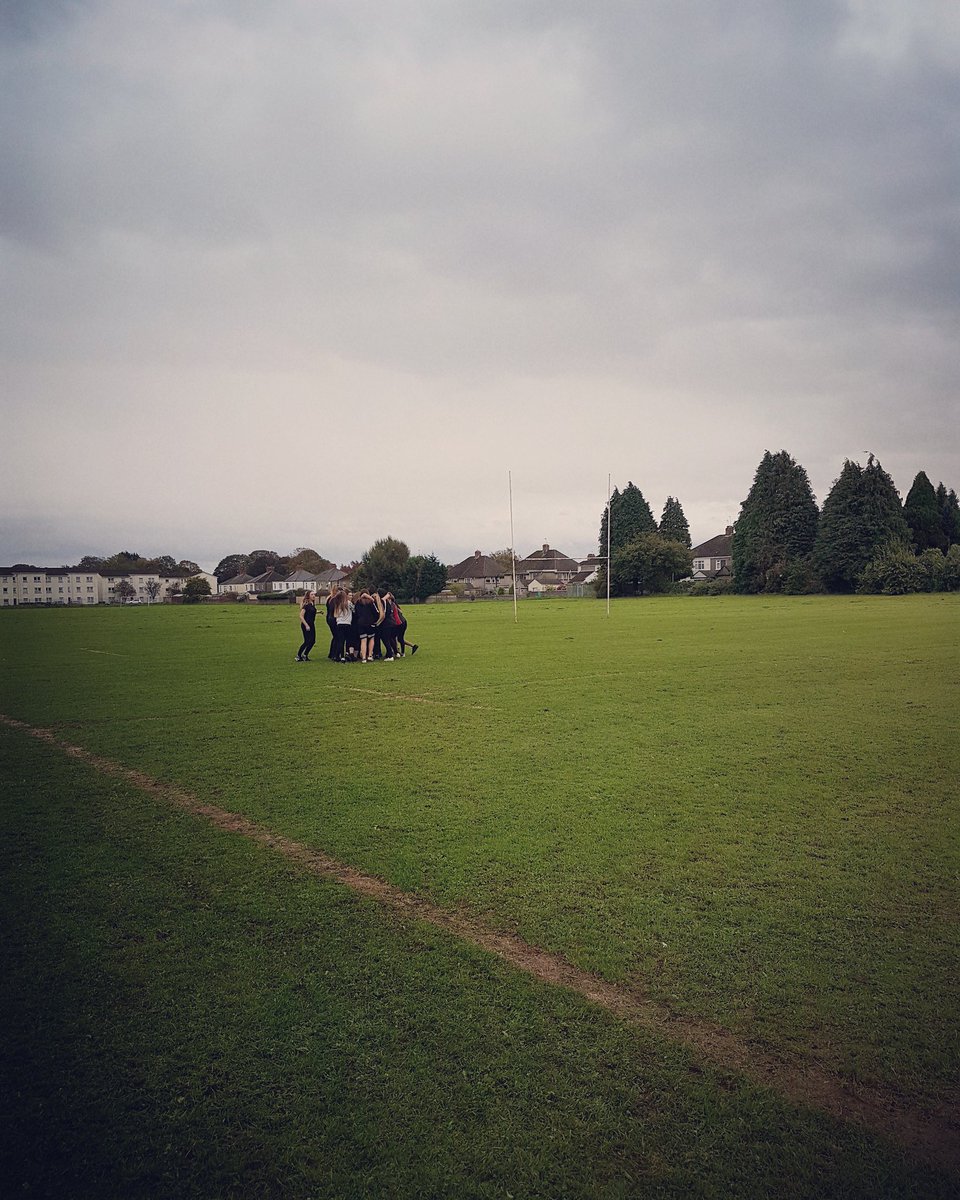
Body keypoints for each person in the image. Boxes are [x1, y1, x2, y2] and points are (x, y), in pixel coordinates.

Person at [353, 590, 379, 662]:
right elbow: (376, 613)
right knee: (371, 638)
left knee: (363, 640)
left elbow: (356, 613)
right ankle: (370, 655)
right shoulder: (371, 602)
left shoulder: (358, 602)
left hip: (361, 623)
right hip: (370, 623)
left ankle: (364, 657)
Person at [331, 589, 355, 662]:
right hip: (347, 623)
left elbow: (335, 615)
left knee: (340, 641)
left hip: (339, 623)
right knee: (348, 640)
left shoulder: (337, 604)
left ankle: (340, 656)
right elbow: (354, 610)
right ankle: (348, 654)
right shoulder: (349, 603)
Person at [295, 591, 317, 662]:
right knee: (307, 641)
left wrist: (318, 612)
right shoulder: (306, 605)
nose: (313, 596)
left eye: (314, 594)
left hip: (312, 624)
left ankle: (305, 655)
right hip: (306, 625)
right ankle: (298, 656)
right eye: (312, 594)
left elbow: (311, 611)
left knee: (313, 641)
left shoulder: (312, 604)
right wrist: (306, 625)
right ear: (308, 596)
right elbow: (301, 616)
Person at [324, 589, 339, 659]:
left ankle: (331, 653)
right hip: (333, 619)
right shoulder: (334, 600)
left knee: (335, 636)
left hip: (329, 618)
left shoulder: (329, 598)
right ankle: (334, 654)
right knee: (336, 636)